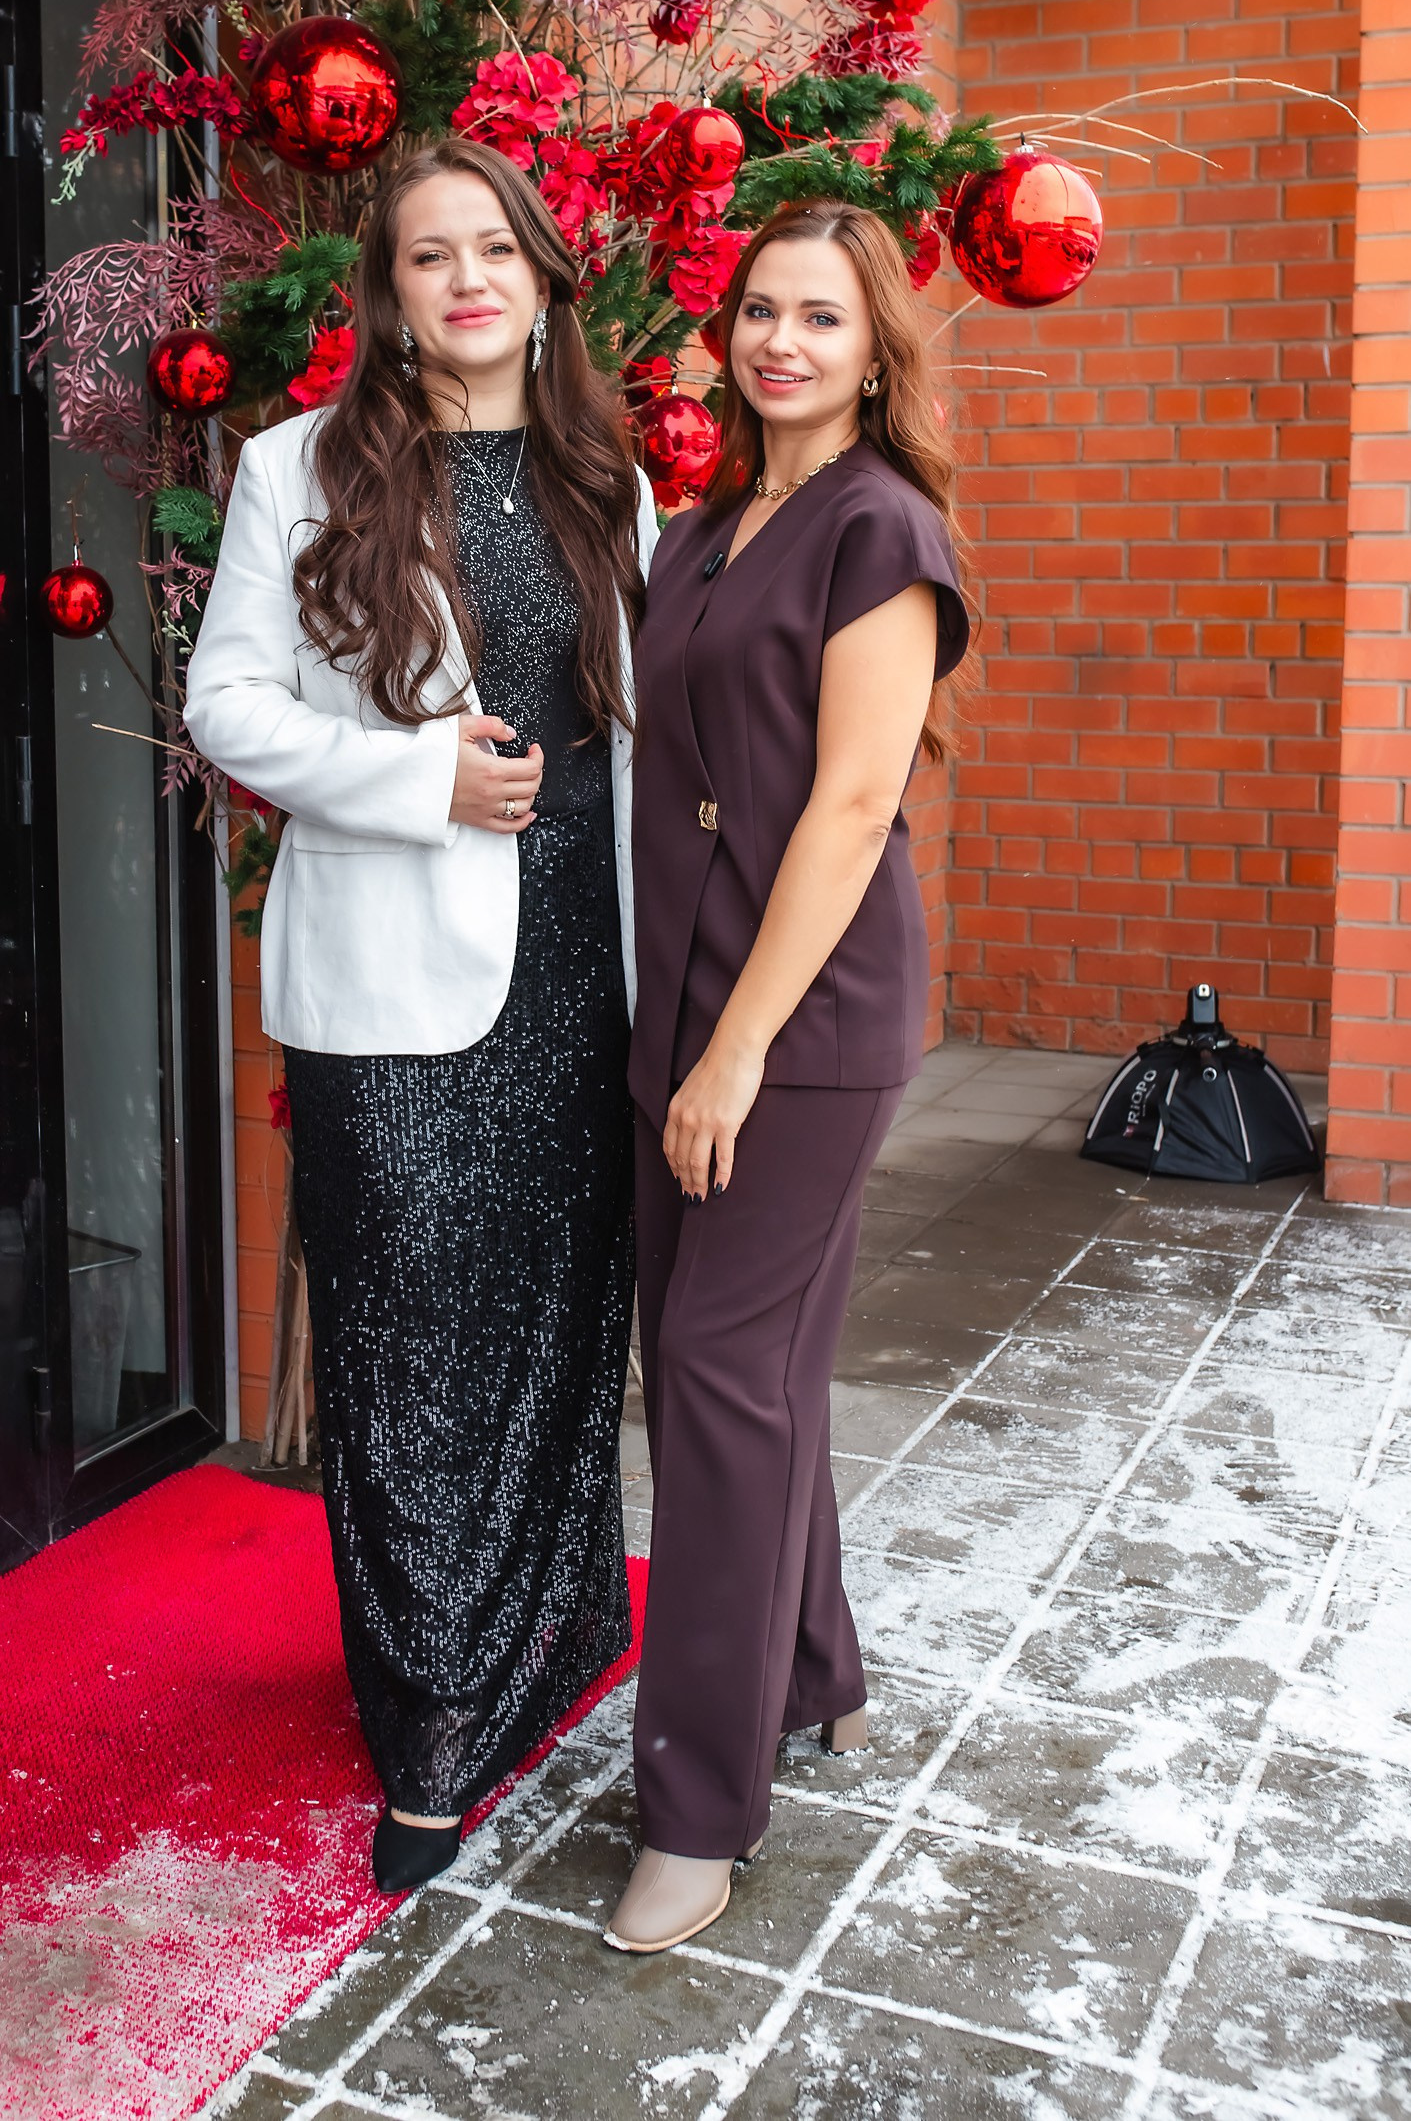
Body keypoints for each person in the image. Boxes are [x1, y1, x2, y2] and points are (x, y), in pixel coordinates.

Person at [183, 139, 657, 1895]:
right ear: (387, 294)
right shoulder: (297, 467)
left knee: (557, 1328)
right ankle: (431, 1732)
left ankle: (546, 1638)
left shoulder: (604, 475)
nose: (467, 280)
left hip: (585, 976)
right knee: (400, 1359)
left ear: (540, 278)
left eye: (495, 251)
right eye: (429, 256)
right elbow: (227, 703)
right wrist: (413, 778)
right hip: (390, 984)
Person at [605, 201, 973, 1954]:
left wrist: (738, 1051)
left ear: (874, 347)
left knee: (717, 1371)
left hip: (801, 1028)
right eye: (761, 309)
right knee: (737, 1370)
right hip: (683, 1001)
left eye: (822, 317)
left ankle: (699, 1809)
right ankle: (817, 1669)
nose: (782, 342)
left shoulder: (883, 526)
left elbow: (852, 804)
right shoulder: (696, 530)